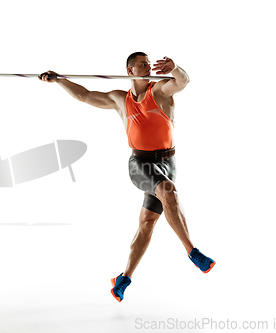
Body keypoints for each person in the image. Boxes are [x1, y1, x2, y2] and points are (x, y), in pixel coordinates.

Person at [39, 52, 215, 302]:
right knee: (168, 191)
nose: (148, 66)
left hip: (168, 163)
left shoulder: (161, 91)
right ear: (130, 70)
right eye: (142, 64)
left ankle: (123, 278)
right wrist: (59, 80)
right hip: (140, 164)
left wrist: (175, 67)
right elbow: (85, 96)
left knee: (147, 223)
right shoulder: (119, 99)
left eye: (148, 62)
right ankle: (192, 252)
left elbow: (183, 81)